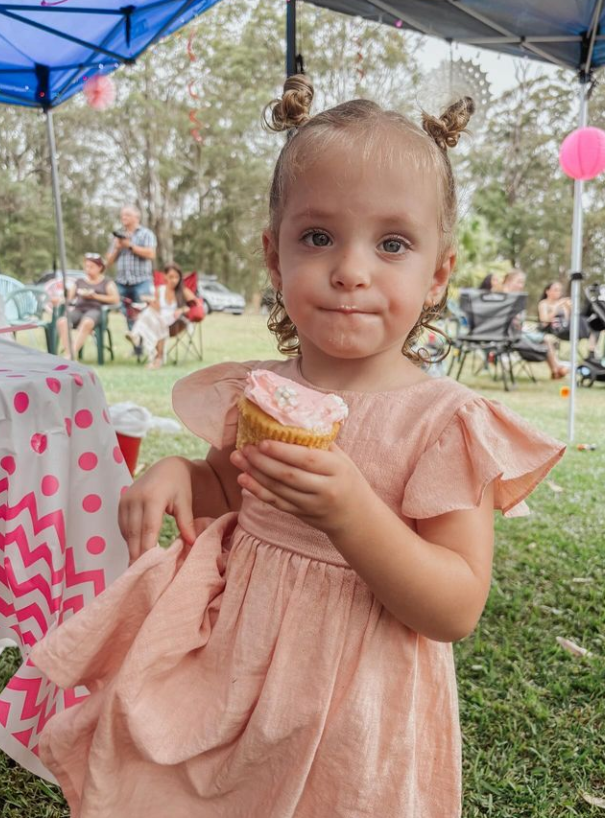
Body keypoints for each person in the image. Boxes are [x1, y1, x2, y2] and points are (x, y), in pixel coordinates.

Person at [30, 77, 565, 818]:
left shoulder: (444, 419)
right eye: (317, 237)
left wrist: (352, 515)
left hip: (355, 699)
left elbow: (452, 607)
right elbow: (228, 489)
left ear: (438, 271)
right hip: (234, 672)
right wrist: (180, 472)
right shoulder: (258, 392)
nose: (350, 269)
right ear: (273, 257)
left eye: (392, 243)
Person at [105, 205, 157, 353]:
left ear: (136, 217)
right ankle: (137, 346)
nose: (124, 217)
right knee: (128, 314)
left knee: (143, 312)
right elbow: (108, 262)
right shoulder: (117, 237)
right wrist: (117, 247)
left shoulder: (146, 234)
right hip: (122, 282)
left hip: (141, 281)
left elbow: (151, 254)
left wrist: (130, 246)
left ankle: (146, 344)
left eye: (127, 215)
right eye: (122, 215)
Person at [126, 263, 198, 369]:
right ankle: (156, 357)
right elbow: (157, 308)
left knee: (154, 319)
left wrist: (181, 309)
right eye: (171, 277)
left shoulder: (183, 291)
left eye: (176, 277)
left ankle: (137, 337)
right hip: (159, 318)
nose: (174, 280)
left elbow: (193, 305)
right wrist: (150, 301)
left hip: (174, 321)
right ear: (165, 276)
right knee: (150, 312)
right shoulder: (160, 290)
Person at [502, 269, 570, 379]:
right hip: (510, 335)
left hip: (517, 332)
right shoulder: (504, 297)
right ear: (509, 280)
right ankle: (557, 368)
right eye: (519, 282)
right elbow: (543, 320)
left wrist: (566, 307)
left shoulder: (513, 297)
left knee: (546, 341)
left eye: (522, 282)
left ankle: (555, 370)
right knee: (546, 340)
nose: (521, 285)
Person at [54, 253, 119, 360]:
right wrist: (59, 300)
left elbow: (115, 299)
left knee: (87, 322)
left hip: (96, 310)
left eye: (91, 267)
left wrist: (95, 296)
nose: (88, 269)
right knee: (62, 322)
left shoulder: (107, 282)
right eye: (86, 266)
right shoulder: (79, 282)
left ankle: (70, 355)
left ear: (100, 267)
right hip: (78, 309)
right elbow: (69, 298)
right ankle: (69, 354)